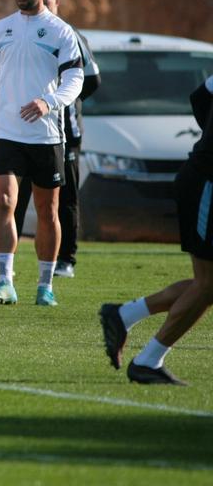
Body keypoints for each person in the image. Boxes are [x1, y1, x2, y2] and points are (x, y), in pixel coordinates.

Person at [0, 0, 83, 308]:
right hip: (5, 133)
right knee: (4, 202)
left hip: (47, 137)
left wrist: (49, 102)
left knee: (47, 212)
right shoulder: (1, 29)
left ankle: (46, 284)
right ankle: (5, 281)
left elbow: (74, 81)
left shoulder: (62, 32)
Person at [99, 74, 213, 385]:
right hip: (208, 182)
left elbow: (200, 96)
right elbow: (201, 97)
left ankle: (124, 316)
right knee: (208, 284)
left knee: (208, 283)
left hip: (203, 178)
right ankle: (147, 360)